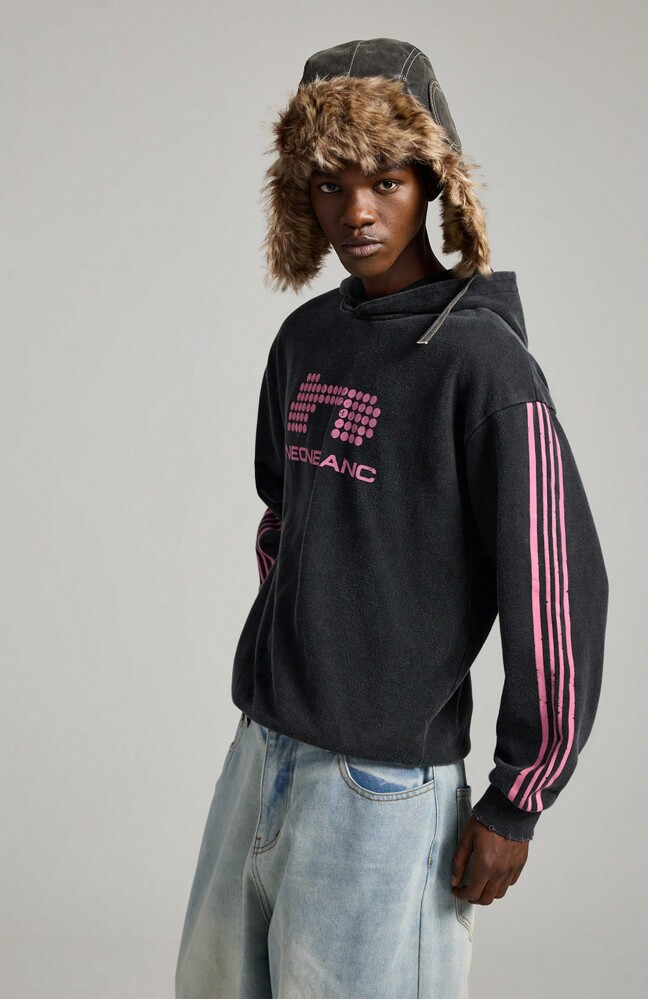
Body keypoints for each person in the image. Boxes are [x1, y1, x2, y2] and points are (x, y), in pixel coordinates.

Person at [175, 37, 609, 999]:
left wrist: (518, 796)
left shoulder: (484, 367)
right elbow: (284, 516)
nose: (357, 211)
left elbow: (556, 587)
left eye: (385, 179)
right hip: (262, 750)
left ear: (432, 182)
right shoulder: (307, 338)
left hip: (382, 786)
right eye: (331, 183)